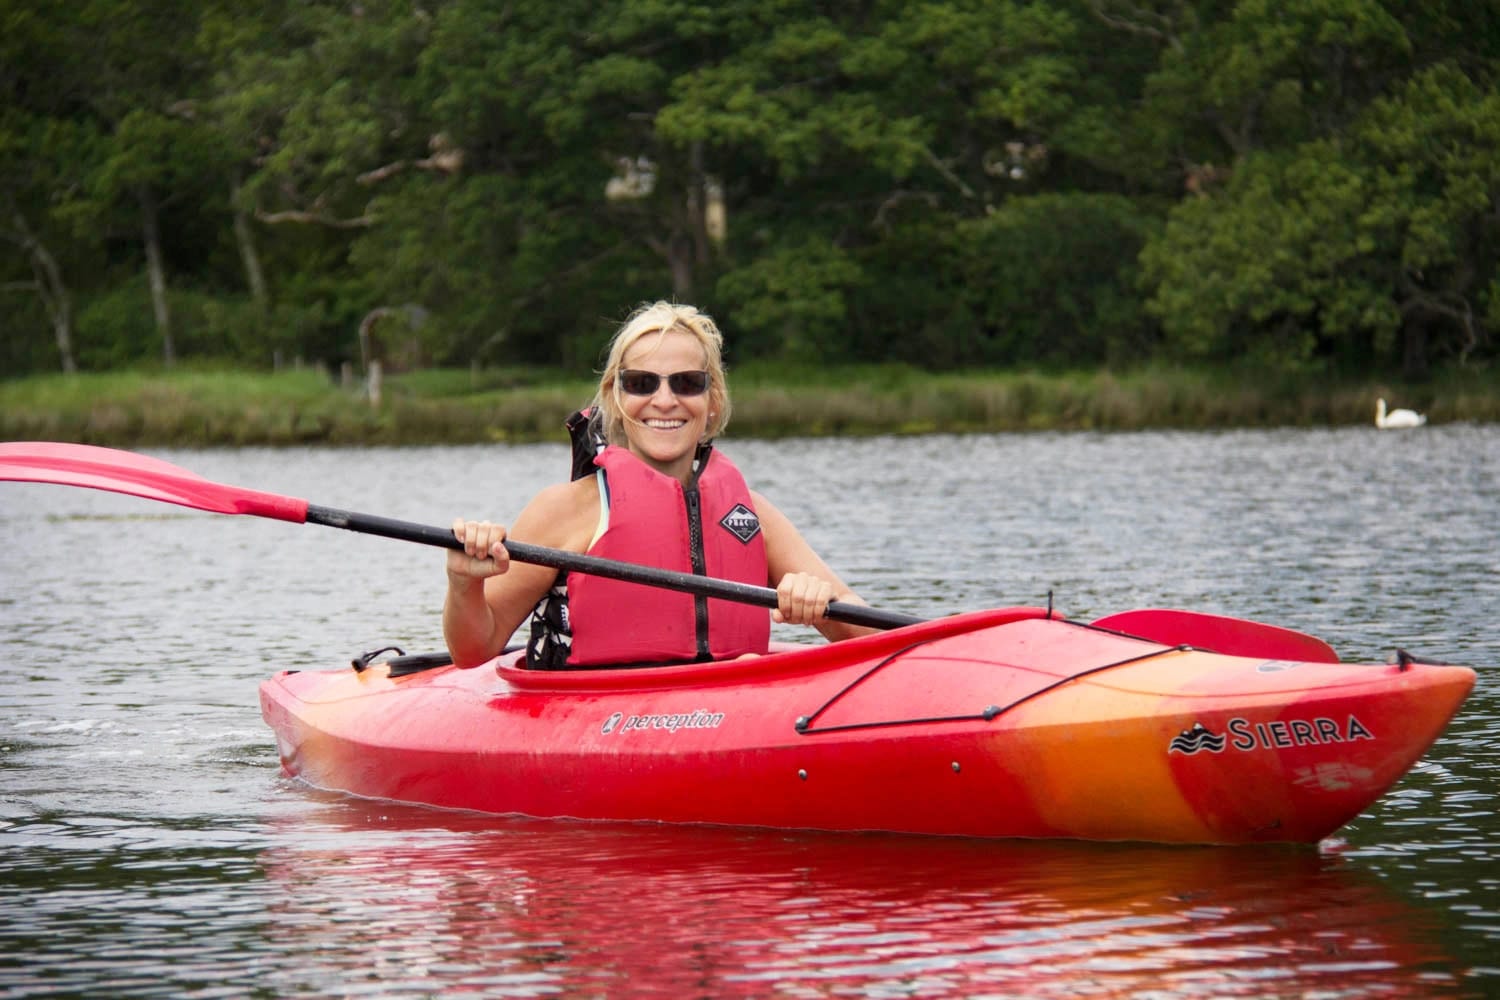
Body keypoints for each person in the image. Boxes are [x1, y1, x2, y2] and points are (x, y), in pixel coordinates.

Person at [443, 300, 872, 669]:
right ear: (615, 397)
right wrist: (465, 585)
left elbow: (862, 629)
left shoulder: (751, 515)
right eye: (641, 383)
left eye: (687, 383)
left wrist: (817, 598)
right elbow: (475, 649)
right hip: (598, 719)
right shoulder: (566, 510)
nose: (664, 400)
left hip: (733, 703)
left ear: (712, 400)